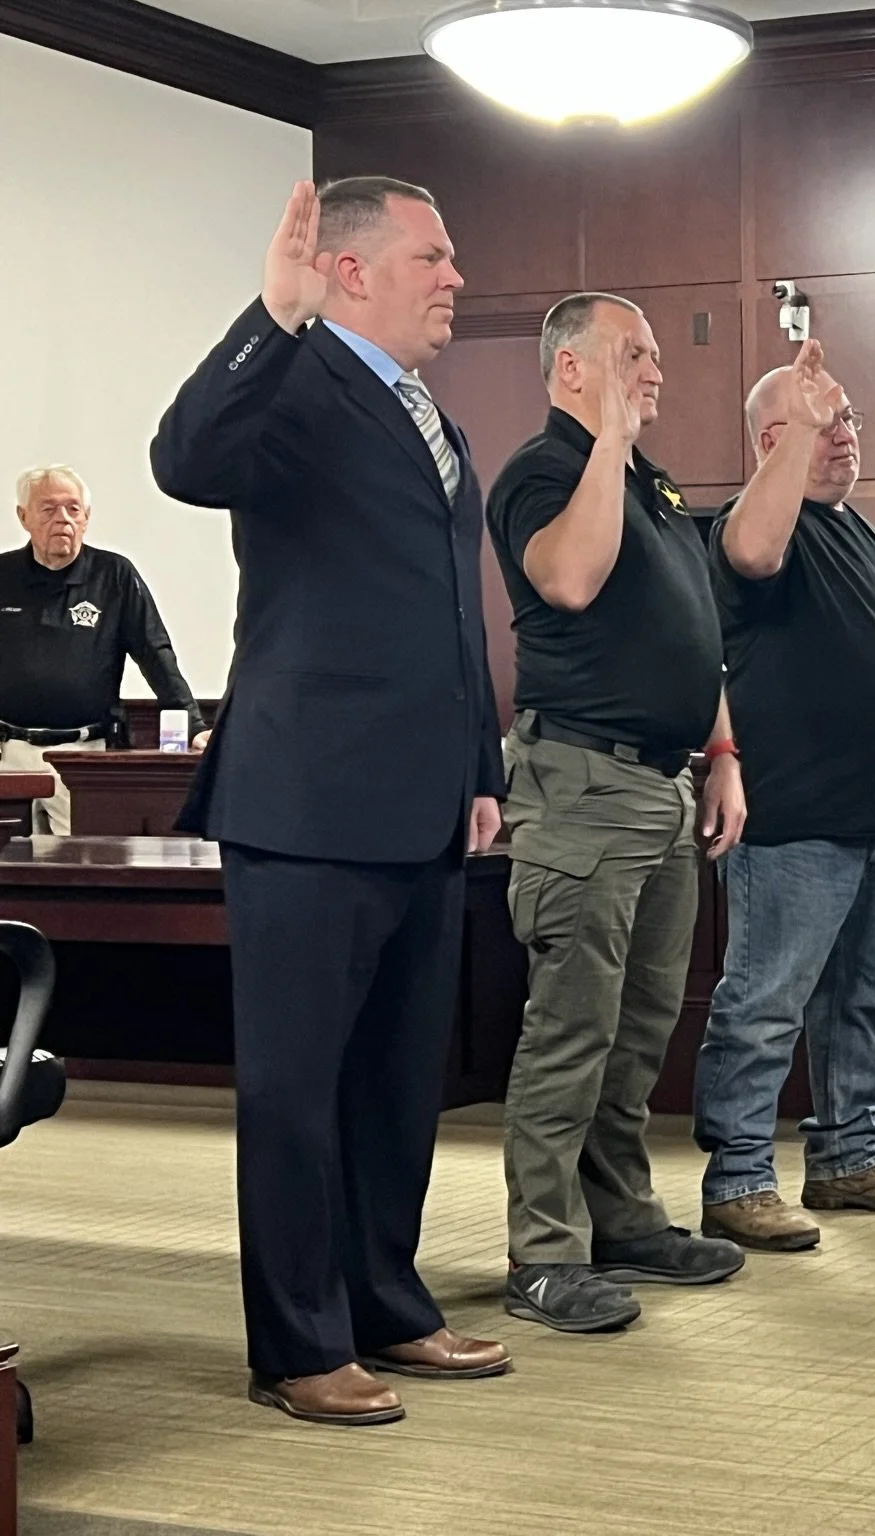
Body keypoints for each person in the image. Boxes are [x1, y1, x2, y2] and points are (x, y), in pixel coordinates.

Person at [151, 177, 509, 1425]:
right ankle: (298, 1347)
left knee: (396, 1083)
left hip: (422, 801)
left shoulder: (430, 418)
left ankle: (386, 1309)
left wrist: (481, 769)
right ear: (352, 270)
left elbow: (458, 622)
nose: (456, 274)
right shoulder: (294, 379)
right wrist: (271, 312)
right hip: (305, 799)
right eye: (435, 253)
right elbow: (184, 459)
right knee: (296, 1089)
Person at [487, 292, 747, 1332]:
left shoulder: (654, 486)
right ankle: (542, 1256)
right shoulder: (543, 473)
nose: (655, 372)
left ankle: (623, 1220)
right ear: (569, 372)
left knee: (640, 1029)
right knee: (570, 1032)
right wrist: (607, 445)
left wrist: (722, 753)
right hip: (581, 787)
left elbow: (697, 639)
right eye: (631, 355)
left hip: (664, 783)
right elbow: (573, 580)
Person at [693, 339, 875, 1252]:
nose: (844, 436)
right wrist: (796, 442)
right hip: (798, 817)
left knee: (863, 1001)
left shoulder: (860, 531)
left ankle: (847, 1157)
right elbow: (754, 557)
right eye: (822, 422)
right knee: (764, 1003)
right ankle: (737, 1179)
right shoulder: (748, 529)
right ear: (773, 439)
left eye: (847, 420)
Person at [0, 465, 209, 832]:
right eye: (48, 509)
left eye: (73, 509)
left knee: (84, 868)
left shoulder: (114, 576)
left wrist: (193, 725)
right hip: (9, 754)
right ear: (23, 517)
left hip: (86, 759)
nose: (62, 519)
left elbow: (155, 653)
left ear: (87, 518)